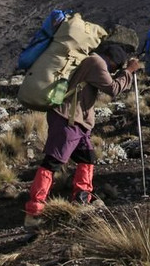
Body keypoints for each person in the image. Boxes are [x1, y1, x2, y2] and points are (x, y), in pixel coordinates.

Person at [23, 41, 139, 228]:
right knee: (53, 161)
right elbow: (113, 89)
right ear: (111, 60)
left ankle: (82, 198)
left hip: (78, 121)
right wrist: (129, 71)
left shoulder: (91, 61)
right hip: (68, 119)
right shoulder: (96, 63)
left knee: (87, 158)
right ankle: (34, 210)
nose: (113, 70)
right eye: (115, 67)